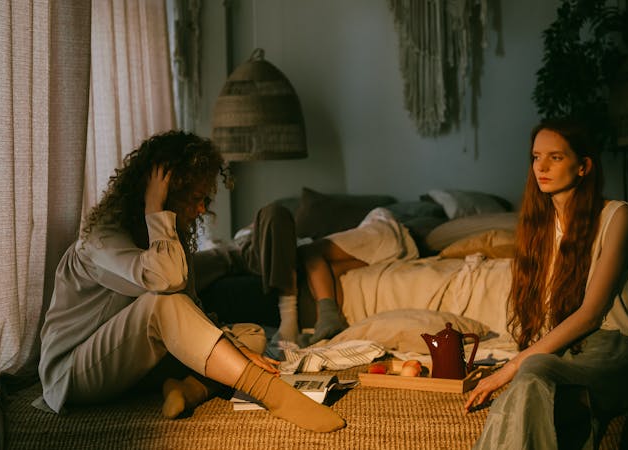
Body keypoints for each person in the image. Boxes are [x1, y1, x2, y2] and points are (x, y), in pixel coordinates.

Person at [37, 130, 345, 432]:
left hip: (130, 365)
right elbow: (166, 283)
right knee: (163, 304)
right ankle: (273, 394)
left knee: (250, 336)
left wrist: (236, 347)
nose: (201, 209)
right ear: (165, 193)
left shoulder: (171, 241)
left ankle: (187, 389)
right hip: (75, 372)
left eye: (205, 199)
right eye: (196, 198)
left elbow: (192, 309)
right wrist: (155, 209)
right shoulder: (101, 237)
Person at [464, 118, 628, 448]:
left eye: (556, 157)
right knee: (528, 386)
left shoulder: (616, 215)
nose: (542, 167)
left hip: (612, 352)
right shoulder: (539, 226)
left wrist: (508, 370)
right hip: (566, 352)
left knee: (531, 372)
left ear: (583, 167)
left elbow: (591, 314)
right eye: (536, 157)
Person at [299, 207, 419, 346]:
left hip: (384, 229)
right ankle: (328, 320)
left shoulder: (379, 221)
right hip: (397, 247)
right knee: (328, 268)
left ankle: (327, 316)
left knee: (309, 251)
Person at [193, 202, 300, 343]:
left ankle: (289, 317)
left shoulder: (275, 222)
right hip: (232, 252)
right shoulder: (238, 237)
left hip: (258, 250)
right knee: (184, 265)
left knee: (275, 210)